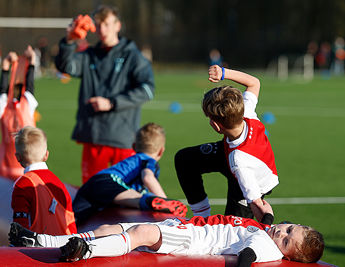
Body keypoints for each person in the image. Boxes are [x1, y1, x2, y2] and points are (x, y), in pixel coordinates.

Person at [8, 201, 324, 266]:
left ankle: (84, 252)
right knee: (111, 228)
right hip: (184, 227)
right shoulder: (267, 230)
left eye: (285, 239)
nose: (281, 230)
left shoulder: (265, 246)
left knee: (142, 232)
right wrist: (267, 215)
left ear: (286, 254)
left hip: (194, 239)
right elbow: (269, 226)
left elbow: (248, 256)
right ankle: (42, 241)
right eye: (289, 227)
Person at [55, 5, 155, 184]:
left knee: (125, 198)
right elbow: (66, 67)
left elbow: (147, 90)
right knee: (92, 197)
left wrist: (112, 103)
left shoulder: (132, 56)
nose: (102, 29)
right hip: (94, 137)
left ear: (118, 25)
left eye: (107, 24)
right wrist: (69, 41)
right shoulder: (89, 55)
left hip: (123, 139)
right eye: (99, 25)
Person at [175, 65, 278, 222]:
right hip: (230, 152)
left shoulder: (240, 163)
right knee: (185, 159)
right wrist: (224, 73)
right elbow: (254, 83)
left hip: (254, 181)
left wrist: (267, 222)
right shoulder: (247, 112)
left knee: (230, 229)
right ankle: (201, 220)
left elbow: (256, 202)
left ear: (216, 126)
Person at [72, 123, 187, 225]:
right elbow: (148, 177)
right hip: (110, 180)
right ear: (161, 150)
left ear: (133, 146)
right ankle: (148, 201)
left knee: (75, 217)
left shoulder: (131, 160)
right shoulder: (148, 161)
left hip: (93, 183)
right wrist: (165, 201)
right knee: (137, 198)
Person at [11, 126, 77, 235]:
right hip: (66, 246)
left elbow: (20, 227)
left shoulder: (22, 184)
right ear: (46, 155)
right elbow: (70, 222)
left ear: (18, 157)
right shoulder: (59, 183)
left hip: (40, 250)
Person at [0, 46, 38, 180]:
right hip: (25, 173)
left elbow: (3, 91)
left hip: (6, 171)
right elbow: (30, 87)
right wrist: (32, 61)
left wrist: (5, 66)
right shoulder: (27, 105)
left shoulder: (3, 107)